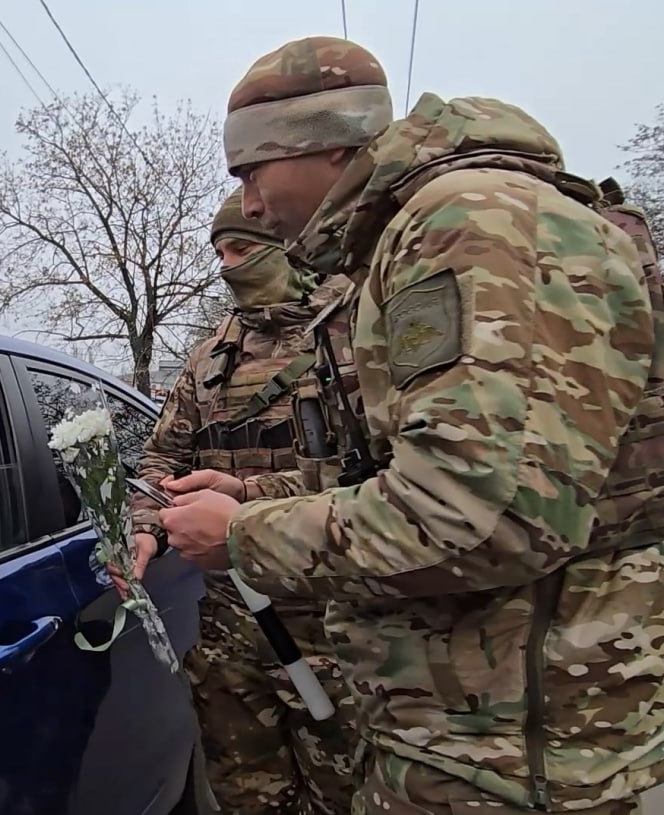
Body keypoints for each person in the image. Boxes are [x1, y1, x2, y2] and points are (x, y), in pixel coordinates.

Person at [155, 35, 664, 814]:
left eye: (252, 172)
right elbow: (448, 470)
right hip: (477, 735)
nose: (251, 205)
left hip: (518, 756)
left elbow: (483, 513)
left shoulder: (468, 223)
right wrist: (252, 491)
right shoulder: (430, 228)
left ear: (321, 144)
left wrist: (244, 534)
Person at [123, 189, 357, 814]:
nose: (229, 264)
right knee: (245, 798)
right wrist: (149, 525)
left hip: (334, 626)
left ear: (288, 246)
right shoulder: (210, 359)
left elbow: (391, 479)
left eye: (244, 248)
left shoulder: (355, 333)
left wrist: (251, 496)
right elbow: (159, 462)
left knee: (347, 794)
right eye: (221, 252)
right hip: (232, 631)